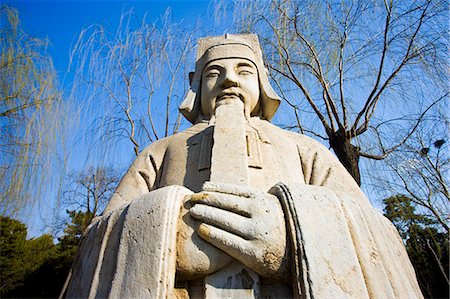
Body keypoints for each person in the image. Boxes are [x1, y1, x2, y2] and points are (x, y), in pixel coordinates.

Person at [63, 34, 423, 298]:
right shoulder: (159, 152)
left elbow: (377, 235)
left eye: (244, 71)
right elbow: (97, 239)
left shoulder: (302, 149)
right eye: (213, 73)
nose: (229, 80)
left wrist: (295, 236)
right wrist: (164, 238)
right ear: (196, 86)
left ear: (262, 82)